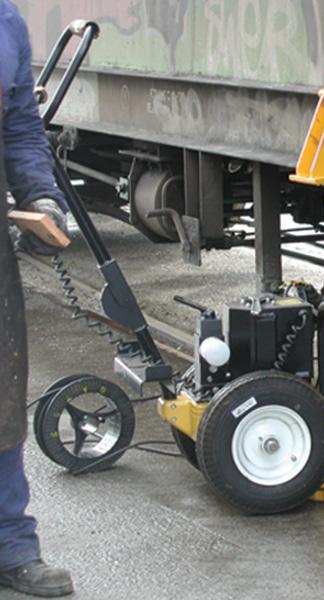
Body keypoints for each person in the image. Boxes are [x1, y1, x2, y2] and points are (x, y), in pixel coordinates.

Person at [0, 0, 73, 596]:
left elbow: (21, 125)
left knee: (1, 392)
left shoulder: (5, 20)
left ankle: (10, 545)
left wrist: (42, 197)